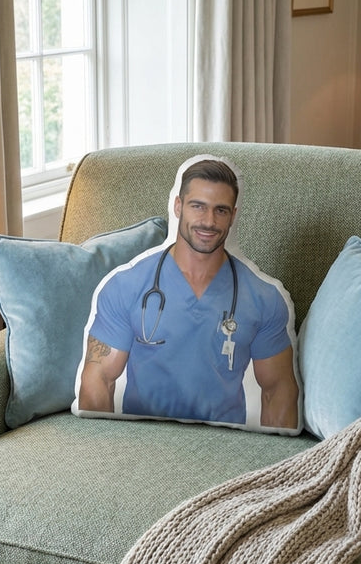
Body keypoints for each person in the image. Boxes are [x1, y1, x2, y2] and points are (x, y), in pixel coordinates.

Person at [78, 158, 299, 429]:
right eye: (198, 207)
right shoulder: (126, 286)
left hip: (225, 449)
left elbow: (278, 391)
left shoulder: (263, 298)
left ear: (233, 215)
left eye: (221, 210)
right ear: (178, 206)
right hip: (143, 443)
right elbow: (98, 379)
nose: (209, 221)